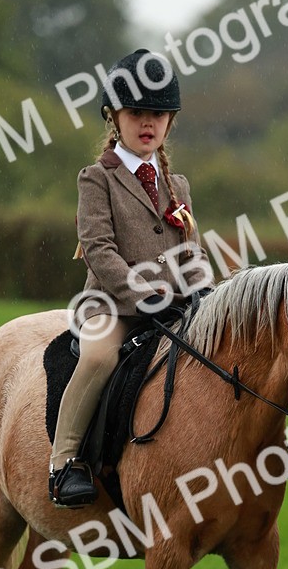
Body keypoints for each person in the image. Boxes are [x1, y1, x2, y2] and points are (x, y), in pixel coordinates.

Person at [50, 48, 213, 508]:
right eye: (137, 112)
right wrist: (144, 295)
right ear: (114, 117)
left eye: (158, 114)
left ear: (169, 122)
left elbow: (189, 247)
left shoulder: (175, 184)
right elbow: (99, 250)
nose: (148, 122)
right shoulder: (96, 179)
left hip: (176, 306)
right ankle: (63, 465)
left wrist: (202, 288)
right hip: (112, 307)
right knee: (100, 358)